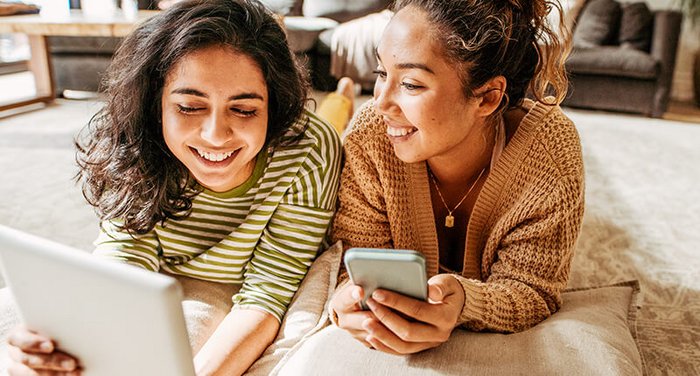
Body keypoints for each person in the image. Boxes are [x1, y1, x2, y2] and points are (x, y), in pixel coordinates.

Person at [6, 0, 341, 374]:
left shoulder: (309, 147)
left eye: (244, 110)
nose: (216, 136)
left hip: (240, 281)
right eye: (189, 107)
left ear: (273, 107)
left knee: (337, 111)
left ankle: (340, 94)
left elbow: (268, 291)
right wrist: (74, 341)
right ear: (156, 105)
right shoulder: (139, 140)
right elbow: (124, 256)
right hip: (167, 276)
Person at [328, 0, 585, 356]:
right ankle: (340, 97)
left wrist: (467, 301)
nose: (381, 103)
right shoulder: (370, 135)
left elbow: (534, 288)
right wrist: (346, 297)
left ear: (488, 98)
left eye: (412, 84)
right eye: (381, 74)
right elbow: (350, 260)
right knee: (327, 127)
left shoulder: (550, 154)